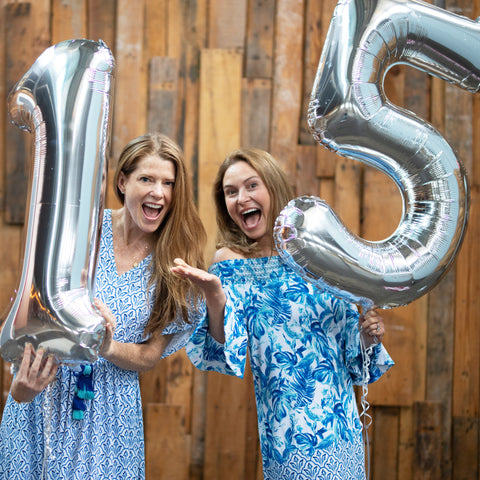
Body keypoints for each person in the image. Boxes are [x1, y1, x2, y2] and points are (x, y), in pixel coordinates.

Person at [172, 148, 394, 480]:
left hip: (342, 427)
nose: (241, 198)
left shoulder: (317, 253)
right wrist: (214, 296)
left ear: (273, 187)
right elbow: (223, 348)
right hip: (288, 436)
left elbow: (350, 343)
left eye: (251, 186)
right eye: (230, 192)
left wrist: (366, 334)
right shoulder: (231, 262)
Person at [0, 133, 206, 479]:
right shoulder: (80, 230)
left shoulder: (174, 262)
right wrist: (19, 386)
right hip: (44, 397)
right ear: (123, 182)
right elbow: (28, 319)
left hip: (110, 417)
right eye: (147, 179)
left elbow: (150, 354)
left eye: (168, 183)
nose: (159, 192)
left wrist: (106, 345)